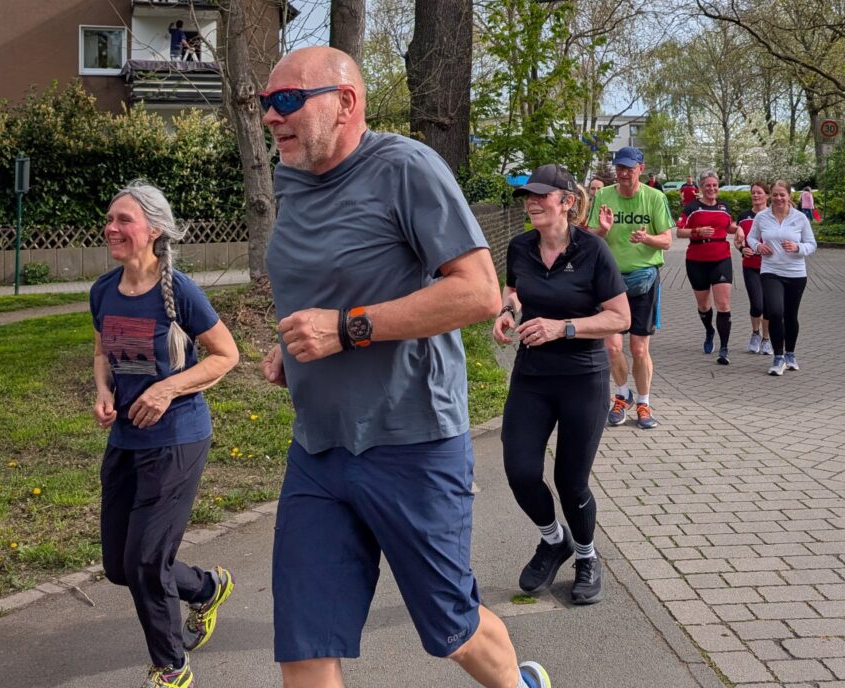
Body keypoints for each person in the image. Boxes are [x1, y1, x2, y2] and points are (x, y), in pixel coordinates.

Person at [260, 46, 552, 688]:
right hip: (318, 448)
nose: (271, 117)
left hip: (411, 442)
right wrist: (293, 346)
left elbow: (478, 293)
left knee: (452, 629)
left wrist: (343, 329)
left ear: (345, 103)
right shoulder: (293, 180)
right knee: (304, 644)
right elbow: (327, 277)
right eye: (264, 103)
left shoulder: (405, 168)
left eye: (286, 101)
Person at [91, 180, 239, 688]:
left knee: (146, 561)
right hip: (125, 441)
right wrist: (104, 391)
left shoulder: (180, 292)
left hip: (177, 439)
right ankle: (205, 587)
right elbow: (102, 353)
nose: (111, 228)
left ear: (154, 230)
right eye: (109, 219)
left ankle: (171, 668)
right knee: (120, 565)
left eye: (123, 220)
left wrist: (166, 389)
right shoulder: (103, 291)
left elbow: (226, 355)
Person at [493, 164, 630, 606]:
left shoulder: (592, 250)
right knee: (520, 472)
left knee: (570, 482)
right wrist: (507, 312)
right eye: (527, 196)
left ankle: (587, 557)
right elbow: (514, 290)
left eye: (541, 195)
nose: (532, 203)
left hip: (582, 378)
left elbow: (620, 317)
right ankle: (554, 541)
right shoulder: (520, 247)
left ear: (567, 202)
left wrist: (563, 328)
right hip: (532, 376)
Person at [587, 146, 674, 430]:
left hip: (643, 280)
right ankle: (622, 395)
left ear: (641, 168)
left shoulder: (655, 197)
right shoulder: (603, 196)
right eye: (619, 168)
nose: (623, 173)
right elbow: (590, 237)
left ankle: (644, 403)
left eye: (629, 168)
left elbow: (667, 240)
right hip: (609, 282)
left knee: (638, 349)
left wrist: (647, 238)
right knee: (612, 346)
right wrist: (602, 230)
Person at [747, 179, 817, 376]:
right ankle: (778, 357)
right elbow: (751, 237)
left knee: (791, 315)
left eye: (782, 195)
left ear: (789, 196)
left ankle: (790, 354)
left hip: (795, 273)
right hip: (770, 271)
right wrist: (758, 247)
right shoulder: (762, 217)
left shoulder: (800, 218)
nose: (778, 198)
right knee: (776, 312)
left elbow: (812, 244)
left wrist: (798, 247)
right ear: (771, 196)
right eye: (775, 195)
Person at [676, 170, 744, 365]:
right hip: (697, 260)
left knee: (723, 304)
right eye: (708, 185)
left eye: (715, 185)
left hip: (721, 258)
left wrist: (739, 228)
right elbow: (679, 232)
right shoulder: (692, 207)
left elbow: (728, 226)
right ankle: (709, 331)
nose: (712, 189)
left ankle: (724, 348)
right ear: (701, 187)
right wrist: (697, 231)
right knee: (704, 305)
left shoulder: (724, 207)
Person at [737, 182, 773, 356]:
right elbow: (738, 241)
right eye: (753, 193)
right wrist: (741, 249)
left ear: (767, 195)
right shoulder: (744, 216)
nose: (756, 195)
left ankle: (766, 339)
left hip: (771, 267)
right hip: (751, 266)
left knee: (768, 306)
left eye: (759, 192)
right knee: (757, 305)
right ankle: (755, 334)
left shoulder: (773, 215)